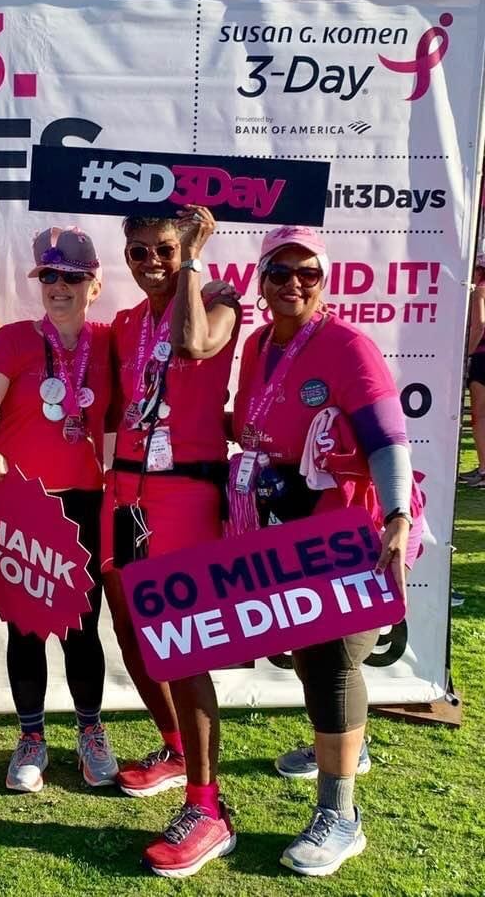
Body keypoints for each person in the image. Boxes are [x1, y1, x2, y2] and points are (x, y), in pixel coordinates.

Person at [229, 225, 423, 876]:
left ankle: (341, 814)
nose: (293, 284)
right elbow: (251, 422)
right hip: (293, 526)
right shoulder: (257, 343)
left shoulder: (347, 346)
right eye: (280, 272)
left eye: (307, 272)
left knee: (336, 659)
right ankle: (342, 745)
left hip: (353, 530)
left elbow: (389, 438)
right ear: (261, 281)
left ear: (326, 278)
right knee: (311, 653)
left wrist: (396, 515)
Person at [98, 208, 242, 877]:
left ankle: (208, 807)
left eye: (163, 249)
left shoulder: (216, 300)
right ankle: (175, 746)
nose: (149, 261)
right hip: (128, 494)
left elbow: (193, 347)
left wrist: (193, 262)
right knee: (130, 629)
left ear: (185, 249)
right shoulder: (126, 322)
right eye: (137, 251)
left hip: (184, 492)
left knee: (181, 644)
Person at [0, 226, 117, 793]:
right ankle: (30, 737)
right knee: (26, 628)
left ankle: (91, 731)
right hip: (21, 501)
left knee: (81, 626)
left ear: (93, 284)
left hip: (85, 502)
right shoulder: (16, 339)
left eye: (72, 277)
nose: (59, 286)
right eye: (48, 276)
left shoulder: (111, 340)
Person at [458, 252, 485, 487]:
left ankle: (484, 470)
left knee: (479, 416)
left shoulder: (480, 290)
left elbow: (479, 325)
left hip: (482, 358)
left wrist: (465, 355)